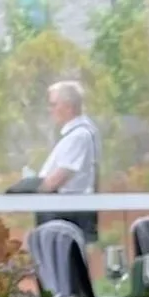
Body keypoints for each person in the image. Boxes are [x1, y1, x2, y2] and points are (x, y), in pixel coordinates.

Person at [39, 78, 101, 237]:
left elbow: (57, 179)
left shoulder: (79, 136)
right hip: (63, 214)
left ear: (68, 107)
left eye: (53, 104)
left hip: (67, 217)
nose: (49, 110)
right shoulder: (74, 135)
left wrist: (30, 189)